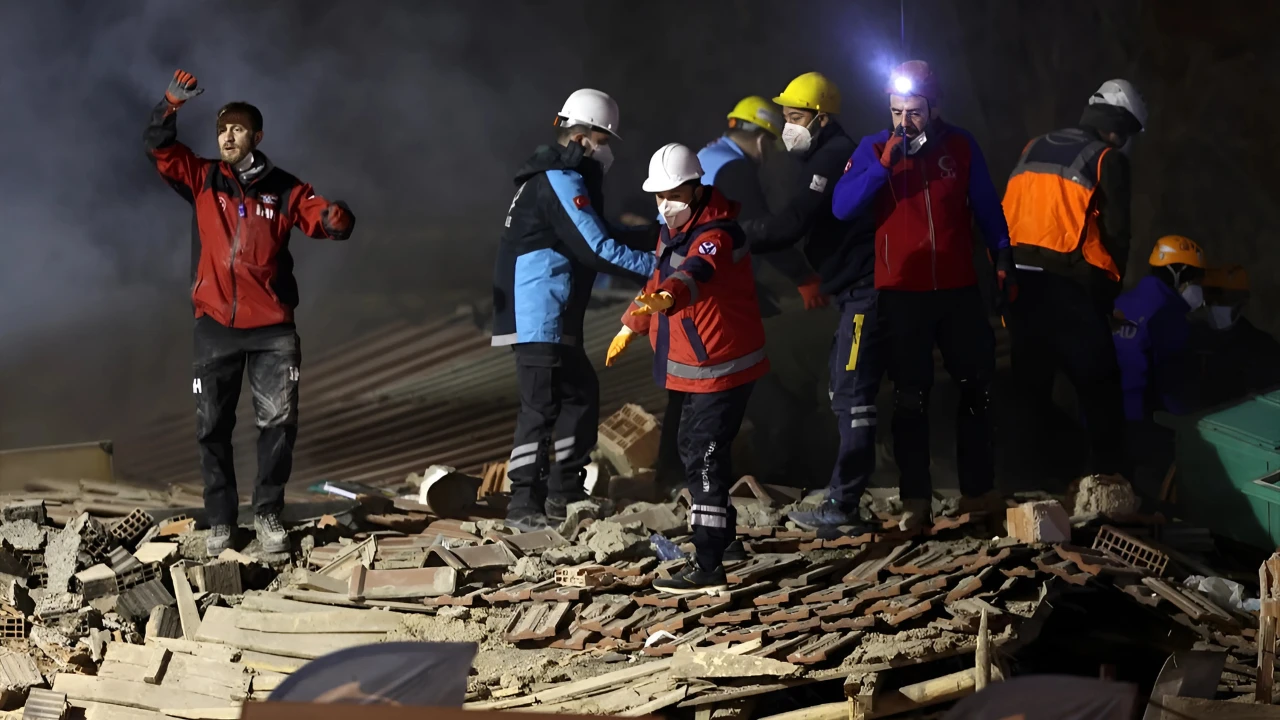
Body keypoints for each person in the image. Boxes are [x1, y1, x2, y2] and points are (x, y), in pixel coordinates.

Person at [145, 70, 356, 556]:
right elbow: (157, 146)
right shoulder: (202, 178)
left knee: (278, 425)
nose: (227, 136)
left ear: (256, 136)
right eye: (222, 129)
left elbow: (321, 217)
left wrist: (336, 218)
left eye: (237, 129)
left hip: (273, 332)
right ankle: (221, 523)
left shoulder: (284, 189)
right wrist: (170, 104)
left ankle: (266, 516)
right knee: (210, 428)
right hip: (214, 327)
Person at [832, 60, 1009, 530]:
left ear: (935, 107)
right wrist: (884, 166)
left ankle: (977, 490)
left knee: (977, 388)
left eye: (914, 112)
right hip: (902, 293)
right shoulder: (874, 148)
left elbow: (988, 205)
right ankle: (916, 499)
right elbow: (842, 206)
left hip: (957, 290)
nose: (904, 122)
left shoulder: (960, 145)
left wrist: (1003, 255)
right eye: (896, 112)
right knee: (911, 397)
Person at [712, 73, 881, 534]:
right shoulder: (820, 155)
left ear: (820, 117)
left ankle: (843, 505)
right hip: (853, 288)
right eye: (783, 117)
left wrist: (734, 235)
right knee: (843, 388)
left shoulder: (831, 156)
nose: (788, 127)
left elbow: (792, 222)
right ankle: (847, 496)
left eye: (794, 117)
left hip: (865, 289)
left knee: (852, 394)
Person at [605, 143, 768, 593]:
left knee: (704, 461)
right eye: (658, 196)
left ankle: (710, 563)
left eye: (672, 193)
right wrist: (632, 324)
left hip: (721, 365)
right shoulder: (673, 230)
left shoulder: (718, 232)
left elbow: (694, 273)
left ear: (696, 188)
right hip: (695, 366)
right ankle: (725, 542)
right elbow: (658, 281)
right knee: (692, 451)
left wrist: (671, 297)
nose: (663, 204)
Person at [492, 89, 656, 533]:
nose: (607, 150)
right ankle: (524, 502)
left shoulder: (562, 178)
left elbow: (601, 231)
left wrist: (657, 236)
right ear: (584, 136)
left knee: (579, 396)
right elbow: (597, 247)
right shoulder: (558, 180)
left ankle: (564, 493)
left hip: (554, 313)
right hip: (538, 315)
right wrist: (659, 270)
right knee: (540, 407)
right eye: (604, 140)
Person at [654, 96, 825, 496]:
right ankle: (771, 476)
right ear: (764, 141)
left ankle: (672, 476)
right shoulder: (735, 169)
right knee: (754, 387)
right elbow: (752, 232)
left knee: (684, 393)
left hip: (681, 294)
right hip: (705, 299)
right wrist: (803, 276)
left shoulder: (706, 159)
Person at [1002, 79, 1146, 484]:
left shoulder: (1034, 146)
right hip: (1070, 291)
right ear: (1118, 129)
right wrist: (1104, 296)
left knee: (1030, 394)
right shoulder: (1107, 160)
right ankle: (1108, 484)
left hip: (1019, 285)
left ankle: (1025, 485)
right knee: (1101, 390)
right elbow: (1117, 237)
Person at [1112, 235, 1208, 422]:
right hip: (1140, 422)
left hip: (1100, 415)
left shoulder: (1119, 303)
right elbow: (1173, 384)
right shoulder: (1168, 315)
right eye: (1196, 279)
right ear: (1180, 273)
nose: (1199, 288)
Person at [1190, 265, 1280, 408]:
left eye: (1226, 299)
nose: (1216, 305)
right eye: (1211, 297)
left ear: (1242, 301)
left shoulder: (1263, 347)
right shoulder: (1191, 338)